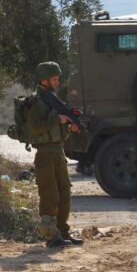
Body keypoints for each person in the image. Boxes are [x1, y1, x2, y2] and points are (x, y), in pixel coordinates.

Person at [28, 62, 84, 248]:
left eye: (58, 79)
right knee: (50, 195)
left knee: (64, 194)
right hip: (44, 154)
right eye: (54, 79)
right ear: (43, 80)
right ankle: (51, 237)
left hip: (58, 152)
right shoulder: (35, 101)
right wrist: (56, 119)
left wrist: (69, 127)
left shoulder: (53, 99)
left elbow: (58, 130)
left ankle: (63, 233)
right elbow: (35, 127)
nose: (57, 82)